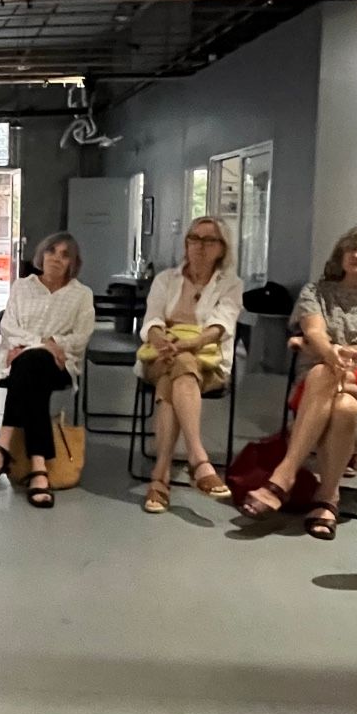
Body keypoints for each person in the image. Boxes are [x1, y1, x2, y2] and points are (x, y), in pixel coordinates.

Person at [244, 224, 357, 539]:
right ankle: (327, 498)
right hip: (325, 378)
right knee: (343, 407)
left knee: (323, 373)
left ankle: (284, 476)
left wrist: (340, 352)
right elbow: (314, 333)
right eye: (352, 248)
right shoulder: (317, 292)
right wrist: (329, 352)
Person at [0, 232, 95, 510]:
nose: (56, 259)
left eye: (65, 255)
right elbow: (9, 326)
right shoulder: (22, 286)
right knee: (31, 371)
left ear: (73, 262)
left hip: (59, 365)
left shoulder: (81, 295)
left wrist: (43, 348)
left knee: (31, 365)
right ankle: (39, 467)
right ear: (42, 254)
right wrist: (44, 345)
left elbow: (81, 336)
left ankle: (1, 446)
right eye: (52, 252)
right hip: (21, 362)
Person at [137, 215, 243, 511]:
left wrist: (187, 345)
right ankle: (199, 459)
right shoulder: (166, 279)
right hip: (161, 354)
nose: (200, 246)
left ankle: (160, 475)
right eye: (194, 239)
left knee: (172, 380)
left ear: (222, 248)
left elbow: (221, 326)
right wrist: (161, 341)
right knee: (179, 367)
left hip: (208, 363)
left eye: (209, 240)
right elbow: (152, 318)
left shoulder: (230, 285)